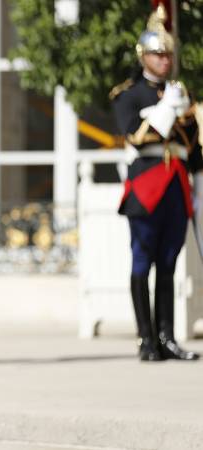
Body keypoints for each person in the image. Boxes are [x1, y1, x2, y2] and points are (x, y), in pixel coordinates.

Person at [111, 4, 200, 362]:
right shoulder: (128, 94)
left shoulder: (182, 94)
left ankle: (167, 336)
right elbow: (134, 135)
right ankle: (145, 338)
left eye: (167, 54)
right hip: (147, 181)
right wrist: (166, 111)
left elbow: (193, 146)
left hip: (176, 181)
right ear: (143, 56)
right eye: (157, 54)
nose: (164, 60)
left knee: (169, 262)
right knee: (141, 261)